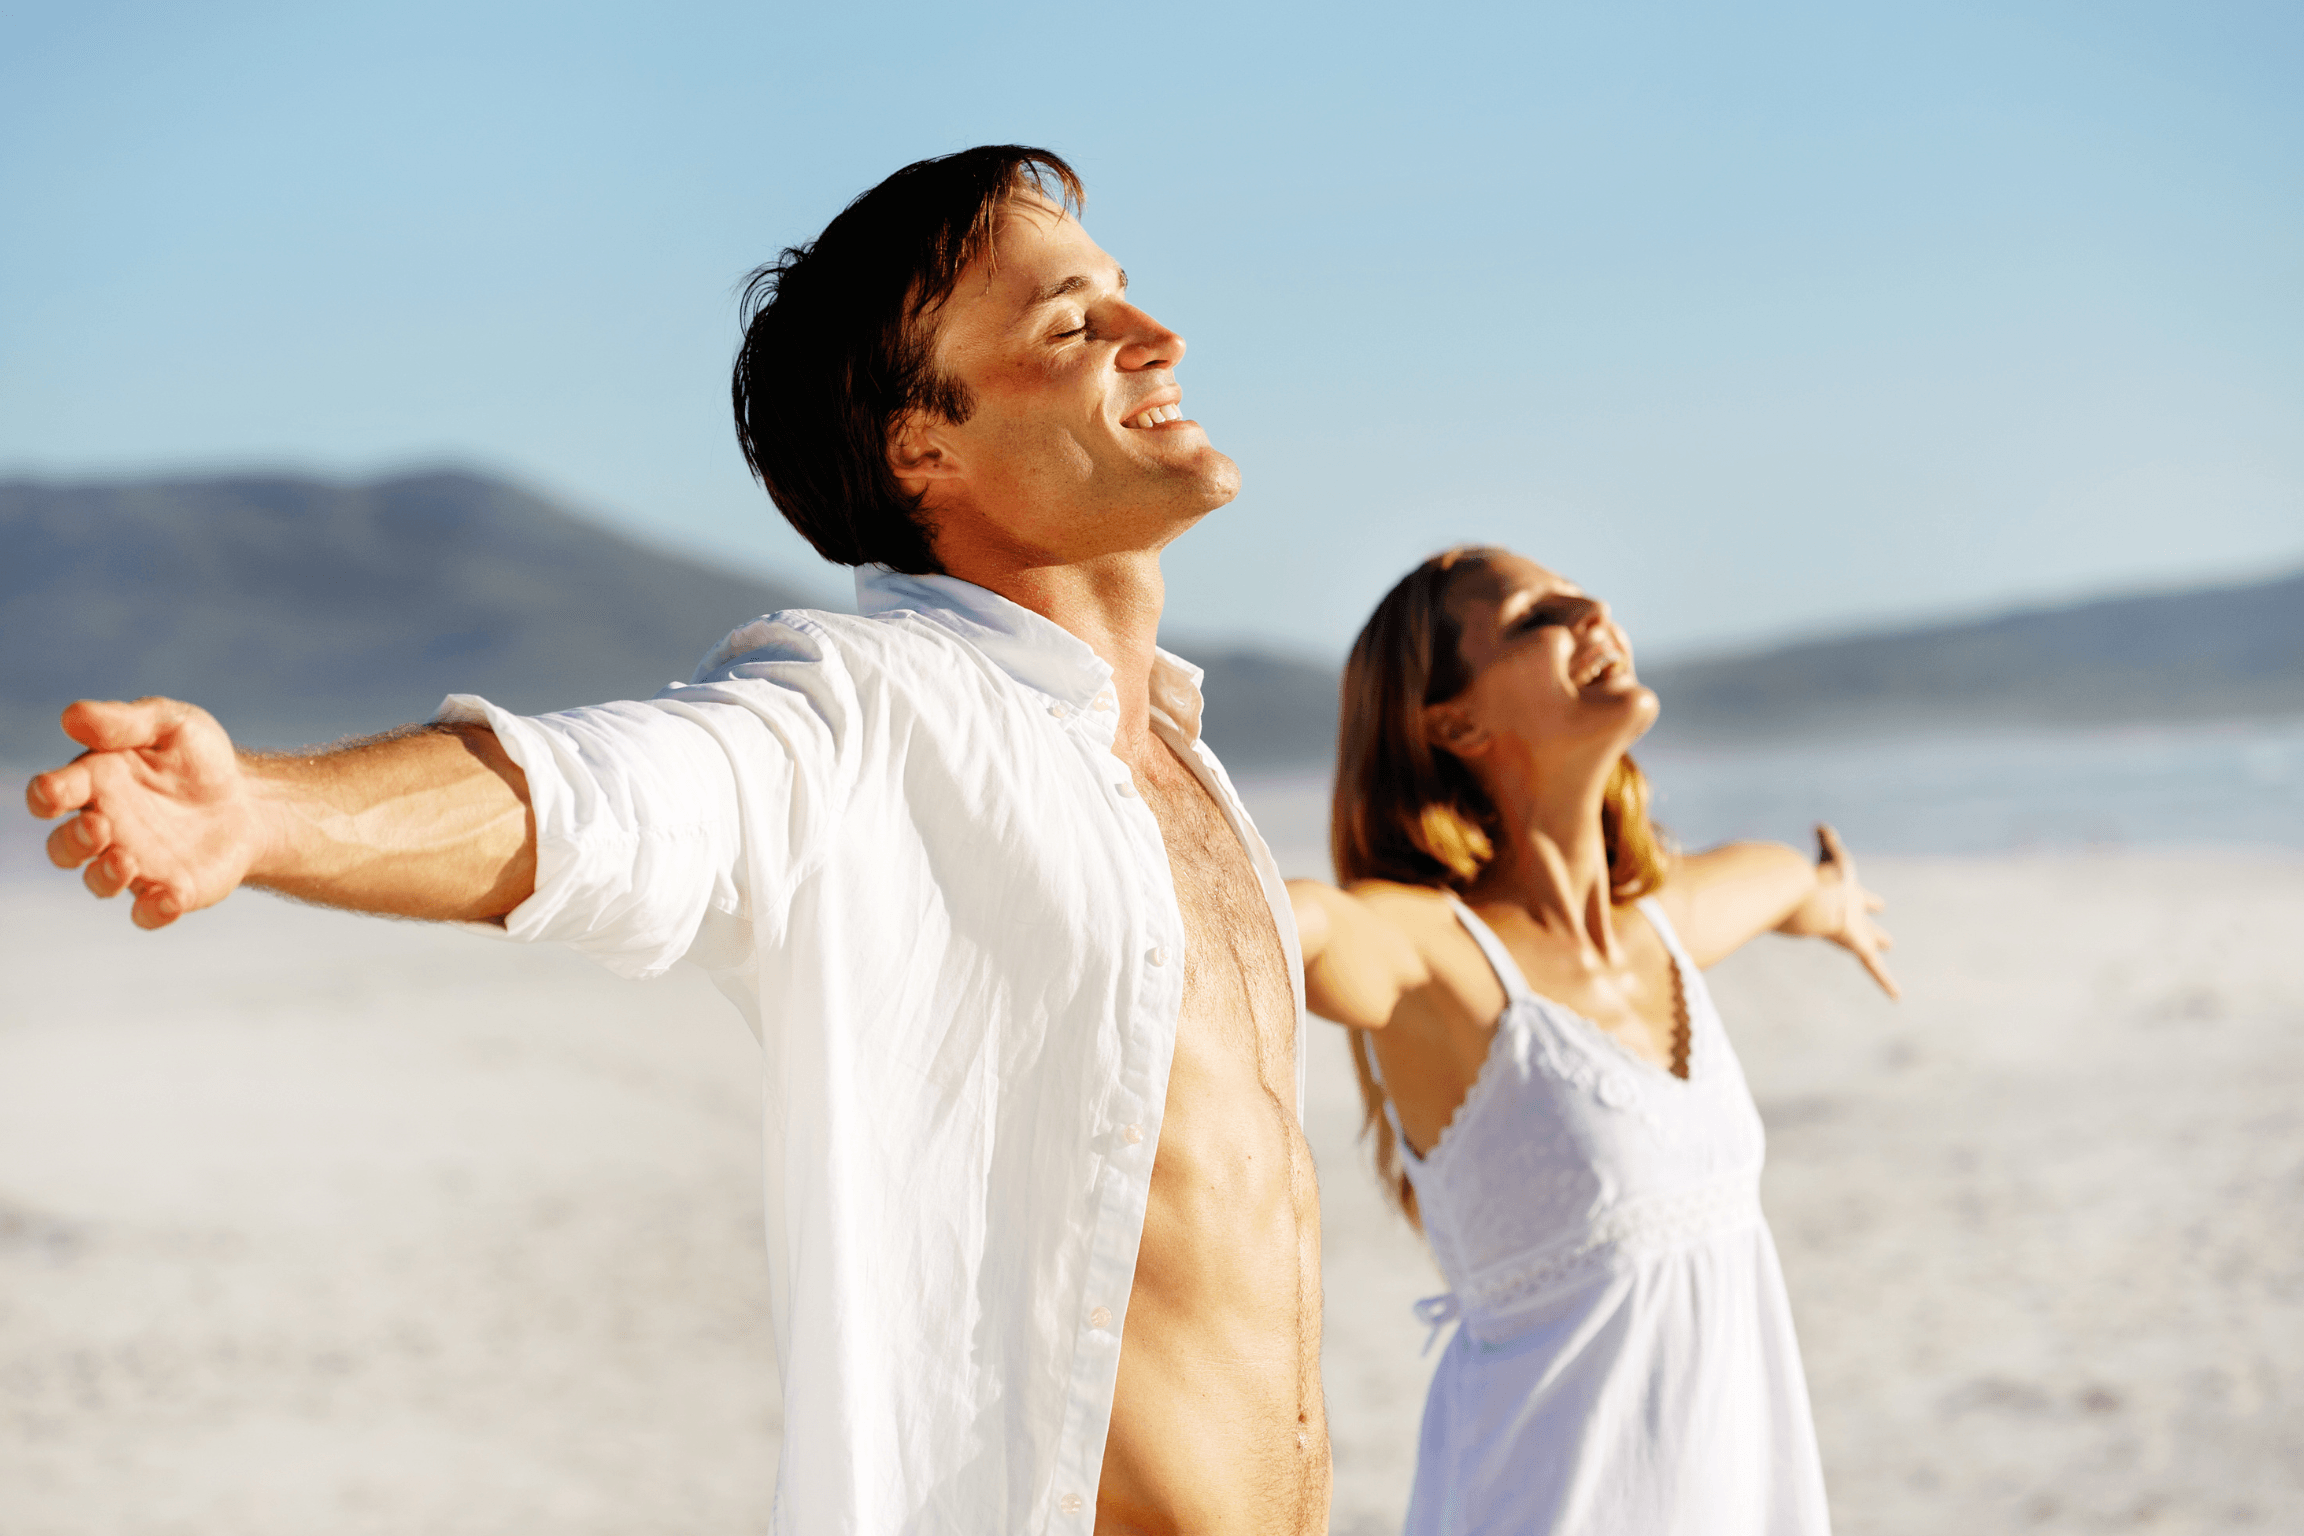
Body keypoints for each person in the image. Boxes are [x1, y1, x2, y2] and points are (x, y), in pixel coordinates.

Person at [22, 147, 1327, 1535]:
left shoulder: (1187, 768)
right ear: (922, 446)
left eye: (1122, 295)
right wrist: (269, 812)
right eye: (1072, 324)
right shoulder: (867, 716)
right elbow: (621, 796)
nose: (1155, 335)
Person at [1290, 546, 1899, 1535]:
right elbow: (1310, 929)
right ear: (1455, 721)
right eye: (1540, 615)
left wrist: (1830, 901)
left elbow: (1785, 878)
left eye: (1587, 597)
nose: (1594, 611)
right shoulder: (1437, 957)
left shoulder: (1665, 921)